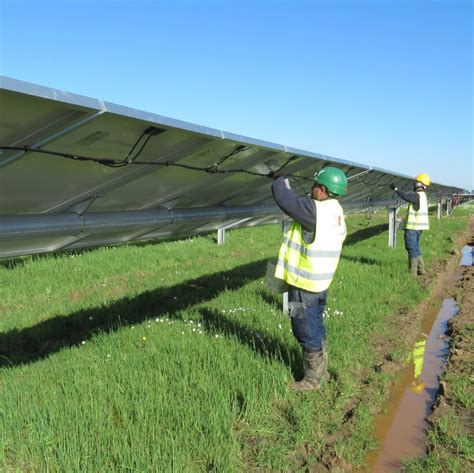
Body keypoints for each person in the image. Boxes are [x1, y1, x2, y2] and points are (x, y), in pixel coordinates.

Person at [270, 167, 347, 392]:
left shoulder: (315, 212)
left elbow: (284, 198)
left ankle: (312, 380)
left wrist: (279, 178)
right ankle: (323, 369)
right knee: (315, 323)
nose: (311, 188)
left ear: (322, 190)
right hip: (319, 284)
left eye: (315, 185)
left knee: (303, 328)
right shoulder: (336, 211)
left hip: (303, 284)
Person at [390, 173, 430, 276]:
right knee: (415, 248)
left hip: (413, 227)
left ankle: (412, 273)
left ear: (420, 184)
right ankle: (421, 270)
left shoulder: (416, 195)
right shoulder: (423, 195)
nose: (414, 183)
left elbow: (406, 196)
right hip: (419, 228)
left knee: (411, 248)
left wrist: (396, 189)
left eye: (416, 181)